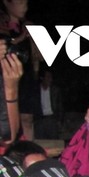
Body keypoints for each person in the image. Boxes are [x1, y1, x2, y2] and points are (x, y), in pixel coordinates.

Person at [0, 0, 40, 141]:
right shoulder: (3, 26)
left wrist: (35, 38)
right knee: (11, 117)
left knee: (28, 117)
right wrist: (22, 37)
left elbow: (38, 56)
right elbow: (5, 46)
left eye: (26, 3)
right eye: (20, 3)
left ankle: (27, 148)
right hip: (8, 74)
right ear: (7, 4)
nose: (24, 7)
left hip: (26, 74)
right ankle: (14, 147)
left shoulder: (27, 25)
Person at [34, 67, 63, 140]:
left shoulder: (55, 90)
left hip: (51, 119)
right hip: (40, 119)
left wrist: (59, 120)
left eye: (51, 77)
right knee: (40, 141)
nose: (50, 79)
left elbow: (60, 106)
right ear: (42, 78)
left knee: (54, 141)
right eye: (48, 77)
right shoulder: (36, 90)